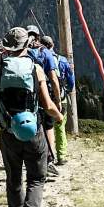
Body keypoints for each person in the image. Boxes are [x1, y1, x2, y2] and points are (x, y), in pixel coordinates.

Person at [0, 27, 65, 207]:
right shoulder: (36, 68)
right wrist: (59, 116)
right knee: (36, 178)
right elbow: (47, 105)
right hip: (33, 132)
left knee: (14, 177)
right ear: (27, 44)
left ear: (7, 46)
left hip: (8, 132)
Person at [24, 26, 61, 178]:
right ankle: (49, 159)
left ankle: (33, 159)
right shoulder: (45, 52)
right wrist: (57, 100)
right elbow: (53, 79)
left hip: (26, 96)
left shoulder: (22, 51)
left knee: (32, 126)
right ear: (38, 36)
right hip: (45, 94)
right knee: (48, 127)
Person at [41, 35, 75, 164]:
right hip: (60, 97)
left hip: (44, 98)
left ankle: (47, 155)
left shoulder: (39, 59)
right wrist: (67, 90)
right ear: (52, 45)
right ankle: (61, 156)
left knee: (45, 127)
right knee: (60, 125)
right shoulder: (63, 60)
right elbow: (71, 79)